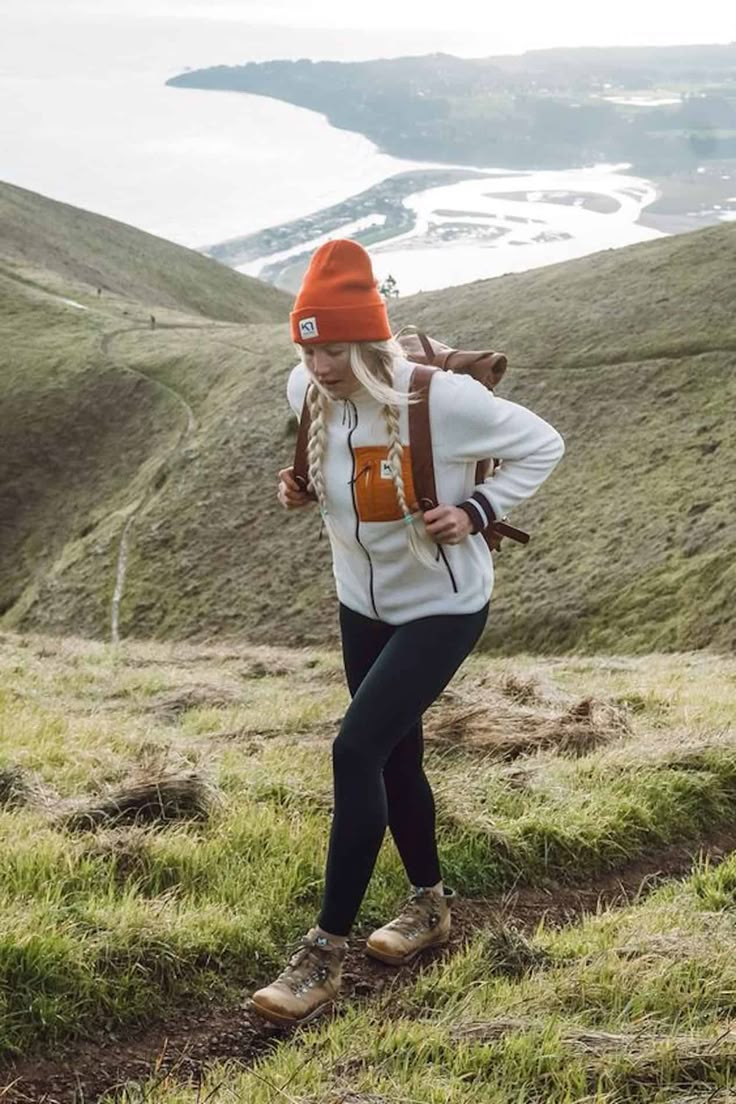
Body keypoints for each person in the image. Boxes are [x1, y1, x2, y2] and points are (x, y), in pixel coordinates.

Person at [251, 239, 564, 1027]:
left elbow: (542, 443)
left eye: (334, 347)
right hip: (361, 603)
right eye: (308, 346)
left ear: (369, 338)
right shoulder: (307, 390)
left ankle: (323, 953)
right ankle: (429, 906)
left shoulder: (441, 402)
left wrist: (478, 512)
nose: (319, 364)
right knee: (395, 753)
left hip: (442, 608)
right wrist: (298, 492)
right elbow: (338, 484)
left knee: (354, 749)